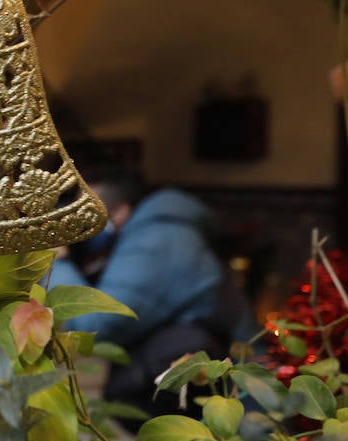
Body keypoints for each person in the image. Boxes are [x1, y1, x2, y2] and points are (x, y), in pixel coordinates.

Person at [49, 172, 255, 415]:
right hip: (212, 377)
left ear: (122, 212)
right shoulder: (158, 230)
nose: (78, 224)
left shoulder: (157, 242)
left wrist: (58, 259)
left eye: (87, 213)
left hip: (237, 394)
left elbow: (96, 323)